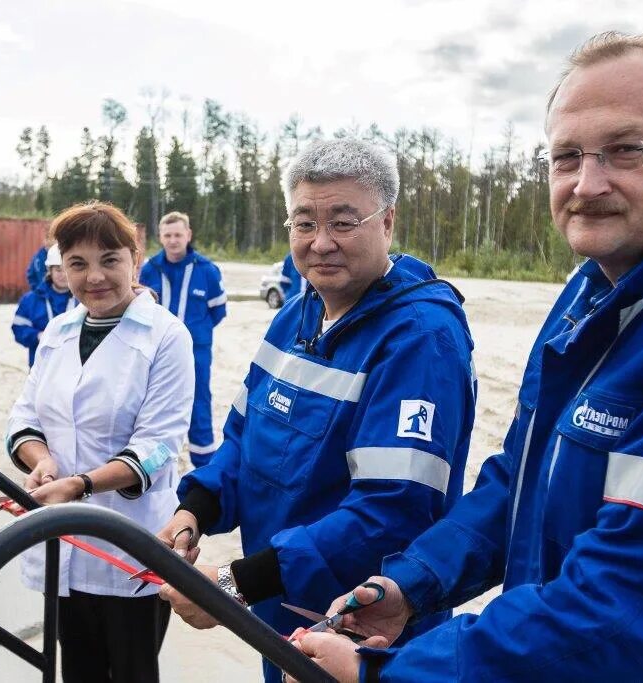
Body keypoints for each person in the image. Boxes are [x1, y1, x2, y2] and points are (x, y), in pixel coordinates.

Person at [292, 32, 643, 683]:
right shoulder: (593, 293)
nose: (588, 183)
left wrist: (396, 670)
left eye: (625, 149)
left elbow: (629, 611)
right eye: (566, 157)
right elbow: (518, 479)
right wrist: (414, 584)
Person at [156, 139, 478, 682]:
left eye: (343, 222)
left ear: (388, 222)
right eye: (304, 223)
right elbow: (241, 437)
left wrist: (235, 586)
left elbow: (391, 513)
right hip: (281, 619)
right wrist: (197, 509)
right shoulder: (296, 314)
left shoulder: (421, 340)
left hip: (362, 638)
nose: (321, 243)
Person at [6, 201, 193, 682]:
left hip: (131, 541)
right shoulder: (58, 331)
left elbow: (158, 446)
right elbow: (25, 416)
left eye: (110, 259)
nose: (94, 277)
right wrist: (43, 460)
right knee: (80, 669)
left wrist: (79, 487)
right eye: (77, 263)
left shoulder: (166, 336)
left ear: (136, 256)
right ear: (61, 267)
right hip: (64, 539)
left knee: (131, 670)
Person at [138, 212, 226, 467]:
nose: (173, 240)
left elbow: (217, 312)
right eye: (168, 235)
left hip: (196, 354)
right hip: (154, 353)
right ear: (160, 237)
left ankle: (204, 469)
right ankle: (152, 466)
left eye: (178, 234)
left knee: (199, 407)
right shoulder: (149, 270)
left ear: (188, 235)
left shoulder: (207, 271)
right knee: (154, 408)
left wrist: (194, 335)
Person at [12, 244, 75, 367]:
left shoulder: (83, 301)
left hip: (73, 366)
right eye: (58, 269)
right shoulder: (31, 300)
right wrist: (37, 336)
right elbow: (18, 328)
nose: (63, 275)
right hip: (41, 365)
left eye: (67, 270)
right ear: (49, 271)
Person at [25, 223, 50, 291]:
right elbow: (30, 274)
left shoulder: (62, 256)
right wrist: (36, 289)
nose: (49, 241)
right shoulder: (38, 256)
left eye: (52, 238)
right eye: (47, 238)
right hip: (41, 292)